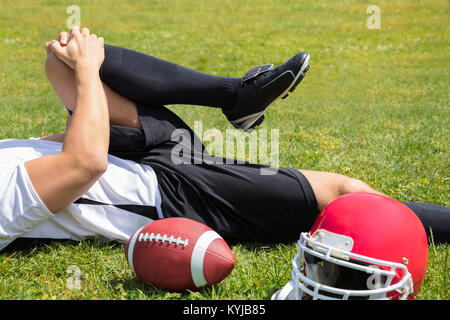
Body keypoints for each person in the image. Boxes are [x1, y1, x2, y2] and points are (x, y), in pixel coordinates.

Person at [0, 28, 448, 252]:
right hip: (169, 193)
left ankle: (238, 96)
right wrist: (86, 73)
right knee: (342, 193)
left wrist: (82, 90)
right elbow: (83, 166)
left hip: (134, 150)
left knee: (61, 54)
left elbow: (48, 152)